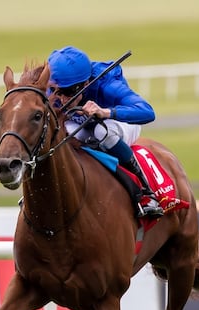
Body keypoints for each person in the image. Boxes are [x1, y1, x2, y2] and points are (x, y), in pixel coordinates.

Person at [46, 46, 164, 218]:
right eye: (56, 91)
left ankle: (146, 191)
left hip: (119, 123)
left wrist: (105, 112)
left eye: (68, 92)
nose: (63, 99)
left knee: (102, 132)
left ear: (85, 84)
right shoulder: (51, 86)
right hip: (83, 125)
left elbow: (148, 112)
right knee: (58, 135)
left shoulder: (108, 85)